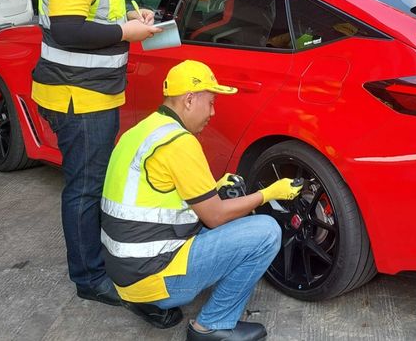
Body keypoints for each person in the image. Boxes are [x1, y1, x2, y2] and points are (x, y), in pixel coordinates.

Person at [32, 0, 164, 306]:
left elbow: (95, 14)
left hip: (91, 91)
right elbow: (69, 30)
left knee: (89, 184)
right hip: (77, 96)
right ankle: (89, 279)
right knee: (85, 189)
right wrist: (125, 34)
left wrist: (133, 17)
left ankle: (92, 263)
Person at [101, 60, 300, 341]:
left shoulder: (142, 132)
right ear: (190, 99)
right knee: (266, 232)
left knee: (228, 213)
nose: (213, 112)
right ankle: (211, 326)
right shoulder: (179, 142)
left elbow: (160, 197)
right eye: (211, 102)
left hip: (125, 274)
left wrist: (214, 189)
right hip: (151, 277)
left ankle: (150, 301)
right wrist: (269, 193)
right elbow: (215, 217)